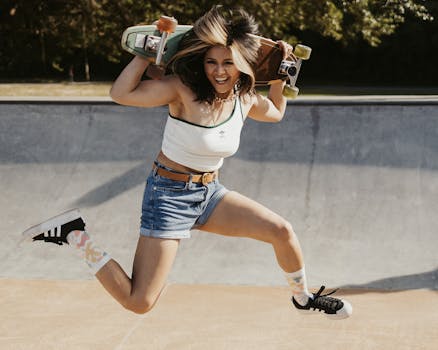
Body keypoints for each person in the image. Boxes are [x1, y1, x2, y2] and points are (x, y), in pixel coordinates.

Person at [23, 5, 352, 319]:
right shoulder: (182, 90)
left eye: (228, 62)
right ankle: (74, 235)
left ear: (242, 63)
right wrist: (145, 53)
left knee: (281, 231)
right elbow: (121, 94)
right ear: (202, 62)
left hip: (210, 195)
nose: (219, 71)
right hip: (167, 197)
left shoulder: (245, 98)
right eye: (211, 62)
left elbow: (277, 112)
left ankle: (303, 297)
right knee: (140, 302)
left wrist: (280, 70)